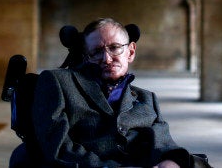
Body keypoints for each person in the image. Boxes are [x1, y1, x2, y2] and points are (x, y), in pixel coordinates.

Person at [31, 18, 211, 168]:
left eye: (115, 47)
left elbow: (163, 142)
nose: (107, 59)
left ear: (130, 51)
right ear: (86, 56)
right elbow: (58, 145)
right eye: (96, 52)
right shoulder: (58, 81)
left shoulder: (146, 98)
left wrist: (170, 161)